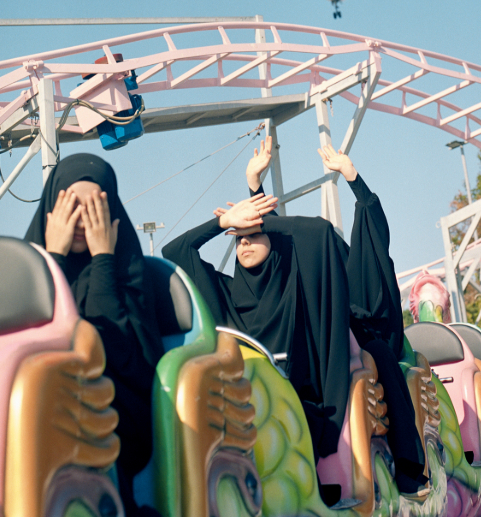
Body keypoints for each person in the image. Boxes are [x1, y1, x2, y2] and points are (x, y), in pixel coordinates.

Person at [246, 138, 427, 496]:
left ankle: (408, 465)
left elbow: (374, 232)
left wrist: (353, 177)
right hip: (321, 336)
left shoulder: (349, 265)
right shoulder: (308, 278)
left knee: (380, 355)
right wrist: (255, 185)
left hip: (362, 331)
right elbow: (277, 240)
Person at [160, 171, 352, 497]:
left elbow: (319, 233)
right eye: (238, 238)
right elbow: (174, 251)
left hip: (297, 410)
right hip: (238, 412)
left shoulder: (296, 290)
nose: (244, 242)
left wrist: (262, 220)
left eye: (253, 235)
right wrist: (222, 223)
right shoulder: (224, 294)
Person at [25, 154, 164, 517]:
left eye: (94, 208)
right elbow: (29, 339)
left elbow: (117, 353)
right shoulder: (28, 272)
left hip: (113, 407)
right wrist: (50, 259)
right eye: (70, 205)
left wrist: (103, 258)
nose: (82, 221)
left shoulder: (128, 269)